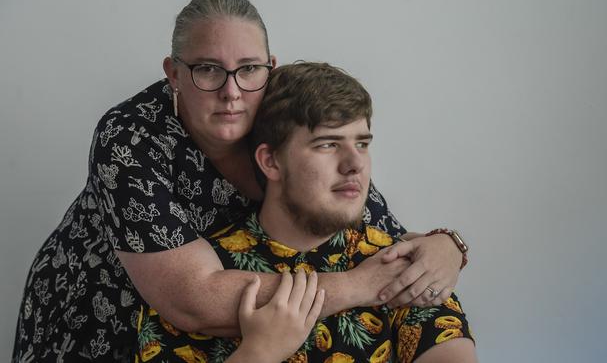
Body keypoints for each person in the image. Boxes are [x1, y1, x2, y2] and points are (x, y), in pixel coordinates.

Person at [12, 0, 469, 362]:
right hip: (109, 301)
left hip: (241, 301)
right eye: (208, 69)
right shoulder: (132, 137)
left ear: (270, 66)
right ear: (173, 73)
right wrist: (362, 285)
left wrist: (446, 246)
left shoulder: (276, 115)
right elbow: (193, 300)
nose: (232, 91)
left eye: (249, 68)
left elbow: (370, 224)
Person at [137, 62, 476, 363]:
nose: (355, 163)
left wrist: (451, 243)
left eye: (362, 143)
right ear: (271, 161)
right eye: (327, 144)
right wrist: (257, 354)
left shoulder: (404, 269)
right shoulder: (198, 282)